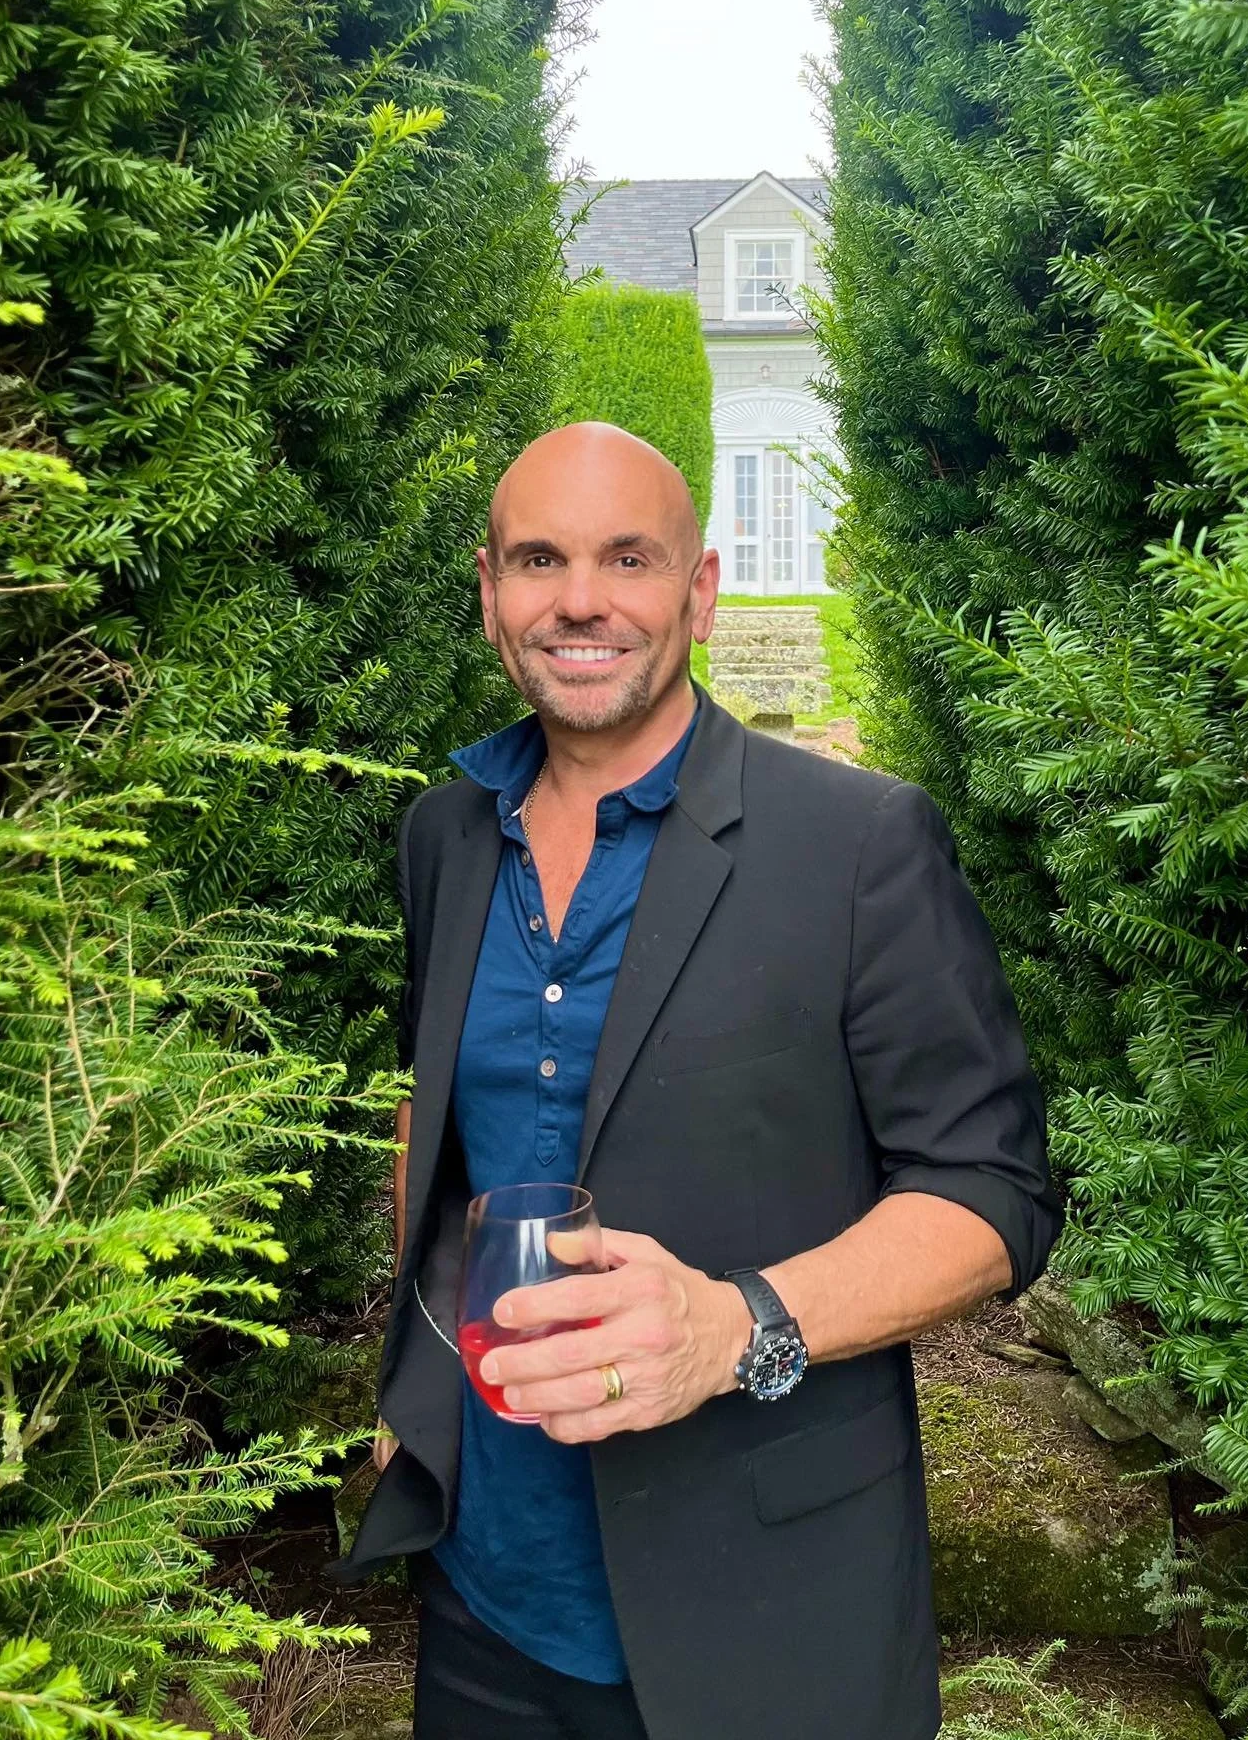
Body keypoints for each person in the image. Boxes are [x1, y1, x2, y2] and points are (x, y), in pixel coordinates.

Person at [338, 422, 1062, 1740]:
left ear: (702, 590)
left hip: (770, 1613)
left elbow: (993, 1194)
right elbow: (436, 1115)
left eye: (630, 557)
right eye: (539, 560)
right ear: (489, 589)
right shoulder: (444, 834)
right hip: (484, 1602)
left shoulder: (858, 846)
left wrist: (740, 1327)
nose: (581, 599)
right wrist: (409, 1376)